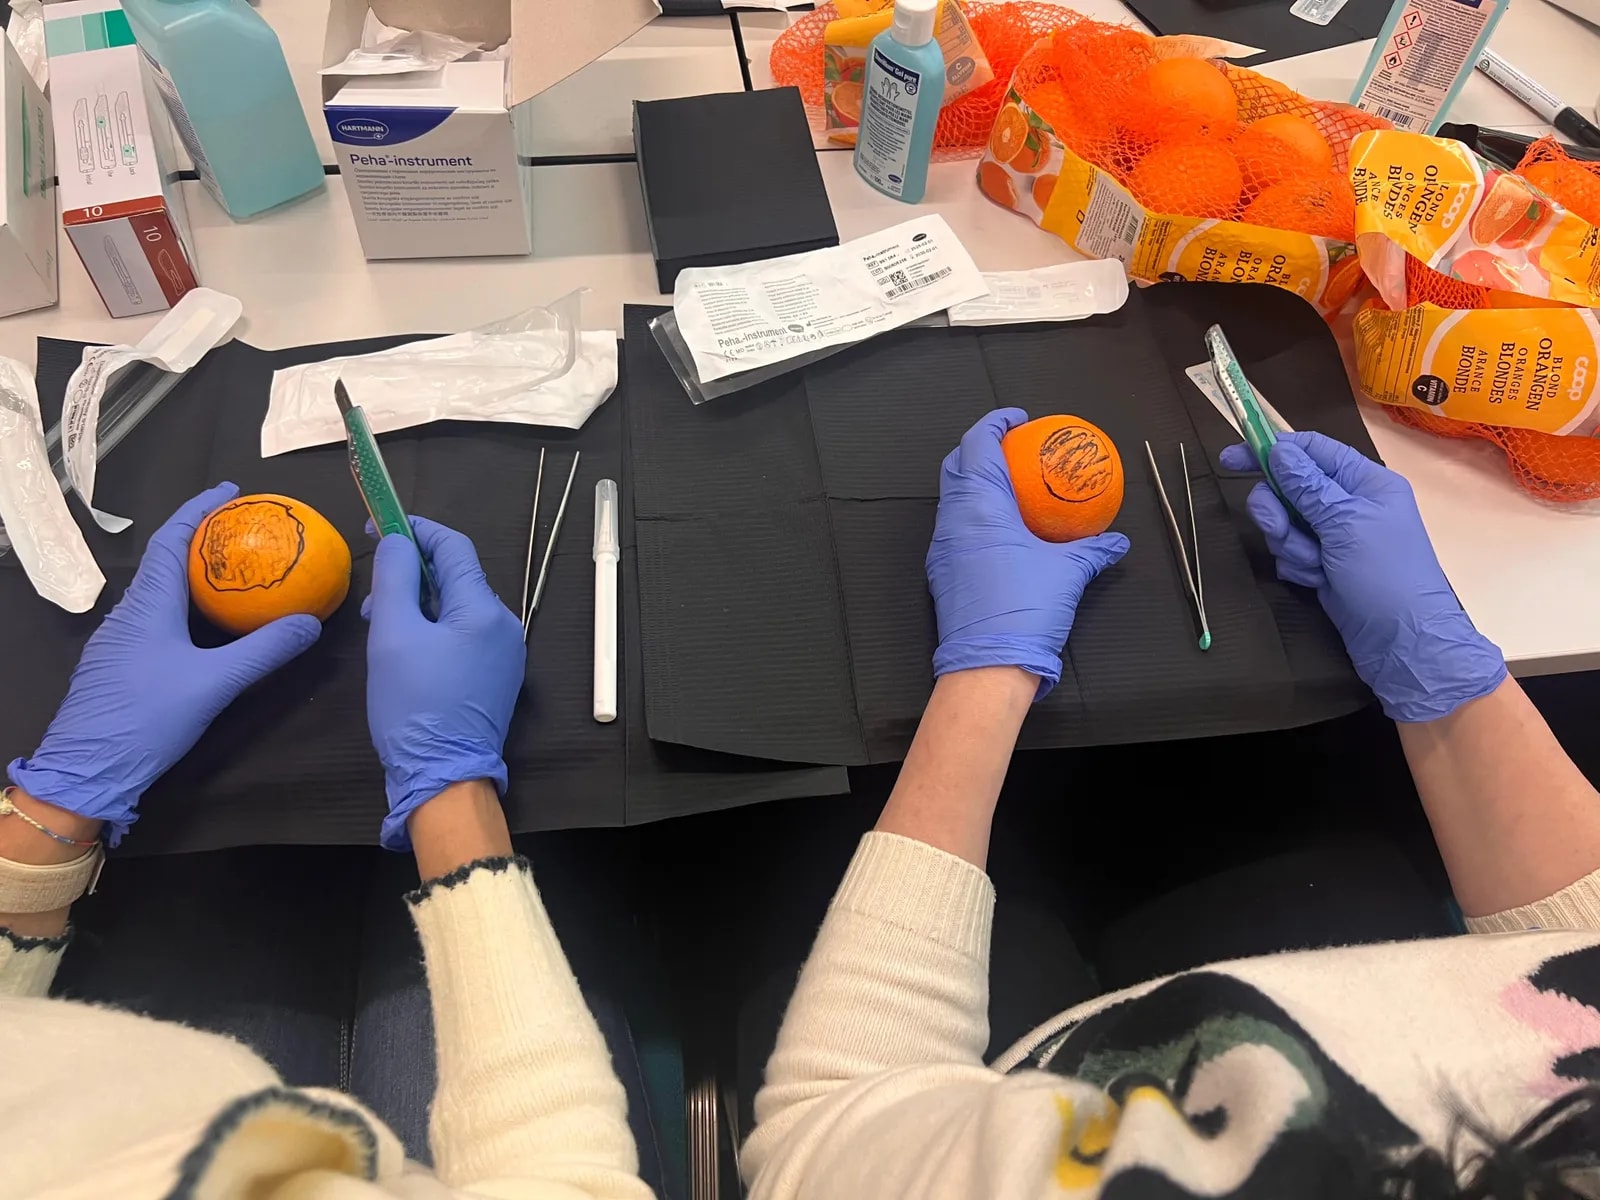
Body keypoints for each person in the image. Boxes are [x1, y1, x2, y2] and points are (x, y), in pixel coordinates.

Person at [742, 410, 1600, 1198]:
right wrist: (1444, 670)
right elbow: (1577, 953)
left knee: (1007, 935)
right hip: (1349, 1000)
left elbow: (824, 1141)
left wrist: (986, 670)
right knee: (1302, 861)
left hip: (1026, 1111)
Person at [0, 484, 655, 1199]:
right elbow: (569, 1178)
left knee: (234, 897)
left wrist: (56, 805)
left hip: (129, 1098)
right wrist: (450, 789)